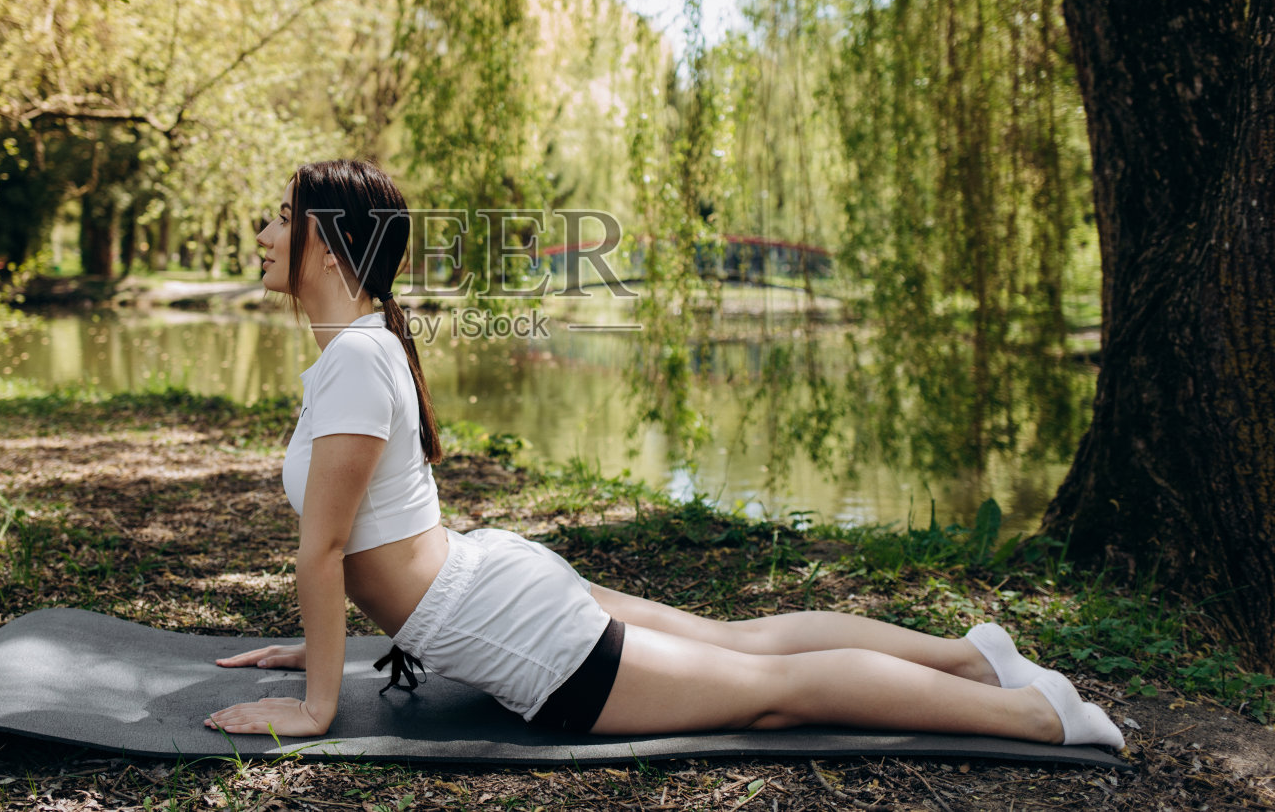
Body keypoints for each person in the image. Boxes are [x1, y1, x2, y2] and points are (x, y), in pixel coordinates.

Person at [205, 158, 1125, 750]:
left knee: (772, 688)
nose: (262, 235)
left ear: (325, 240)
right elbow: (371, 539)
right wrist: (323, 643)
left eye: (280, 217)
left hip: (506, 619)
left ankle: (1032, 713)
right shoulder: (362, 347)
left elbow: (327, 550)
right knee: (743, 647)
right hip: (484, 583)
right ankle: (971, 657)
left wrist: (319, 702)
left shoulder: (358, 355)